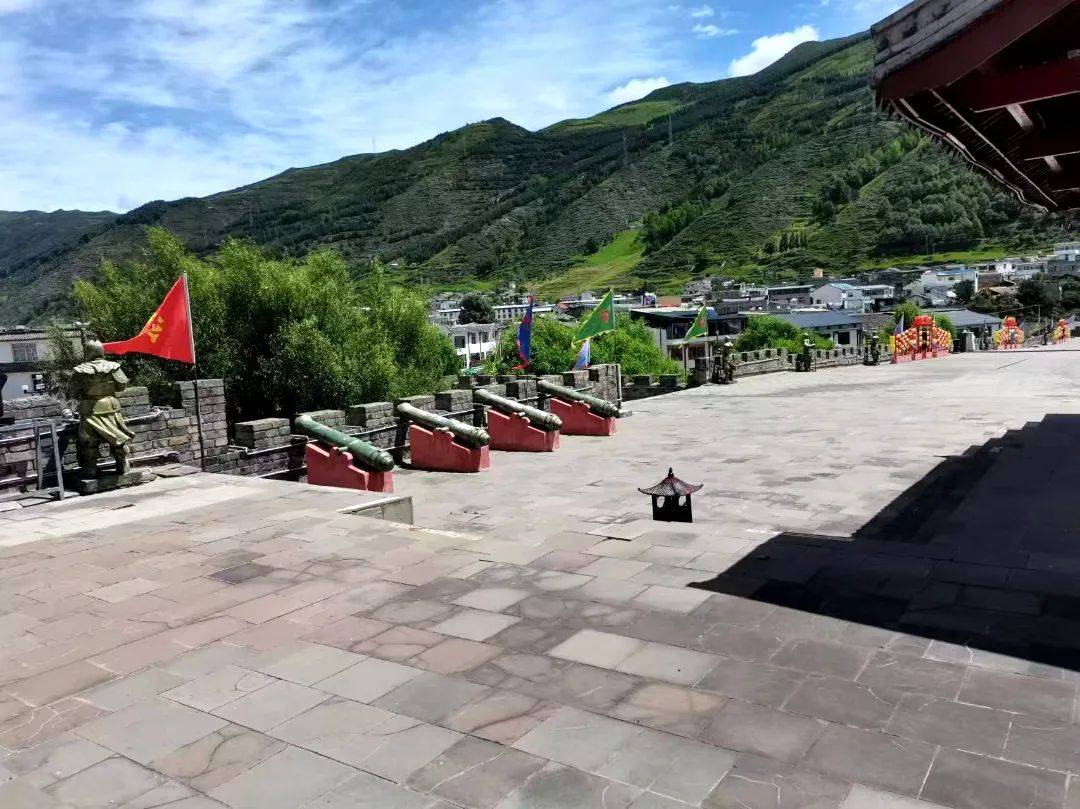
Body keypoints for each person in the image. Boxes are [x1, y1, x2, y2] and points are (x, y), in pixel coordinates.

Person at [71, 341, 135, 477]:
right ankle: (122, 465)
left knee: (90, 441)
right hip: (111, 407)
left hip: (90, 410)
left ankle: (91, 469)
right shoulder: (114, 367)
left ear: (88, 352)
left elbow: (72, 391)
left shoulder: (80, 370)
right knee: (117, 438)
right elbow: (121, 386)